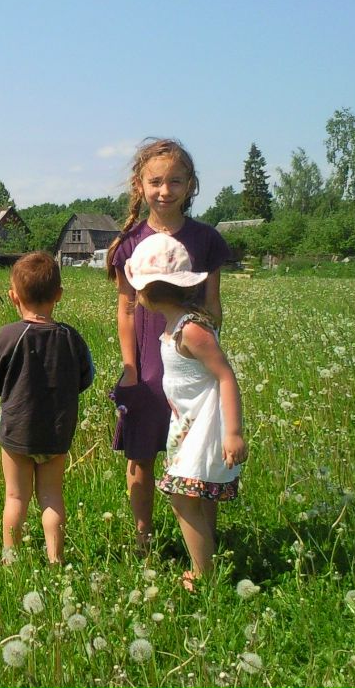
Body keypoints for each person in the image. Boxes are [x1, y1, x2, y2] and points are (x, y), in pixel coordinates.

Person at [105, 137, 232, 554]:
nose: (165, 190)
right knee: (140, 459)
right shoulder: (128, 243)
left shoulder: (206, 241)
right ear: (139, 185)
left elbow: (213, 306)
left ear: (191, 185)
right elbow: (126, 310)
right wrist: (130, 367)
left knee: (198, 463)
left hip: (190, 375)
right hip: (145, 370)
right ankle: (143, 541)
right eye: (155, 181)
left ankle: (204, 550)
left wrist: (203, 352)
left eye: (175, 181)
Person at [124, 232, 247, 588]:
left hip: (206, 424)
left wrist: (233, 432)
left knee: (182, 498)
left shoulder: (191, 330)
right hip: (186, 423)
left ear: (148, 292)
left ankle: (202, 573)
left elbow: (226, 376)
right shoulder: (175, 324)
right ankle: (207, 560)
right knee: (195, 495)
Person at [0, 252, 94, 564]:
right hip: (57, 433)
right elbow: (86, 378)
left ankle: (10, 559)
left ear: (13, 297)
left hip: (17, 433)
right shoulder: (72, 337)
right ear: (58, 295)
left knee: (16, 497)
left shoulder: (7, 335)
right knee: (51, 496)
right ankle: (56, 559)